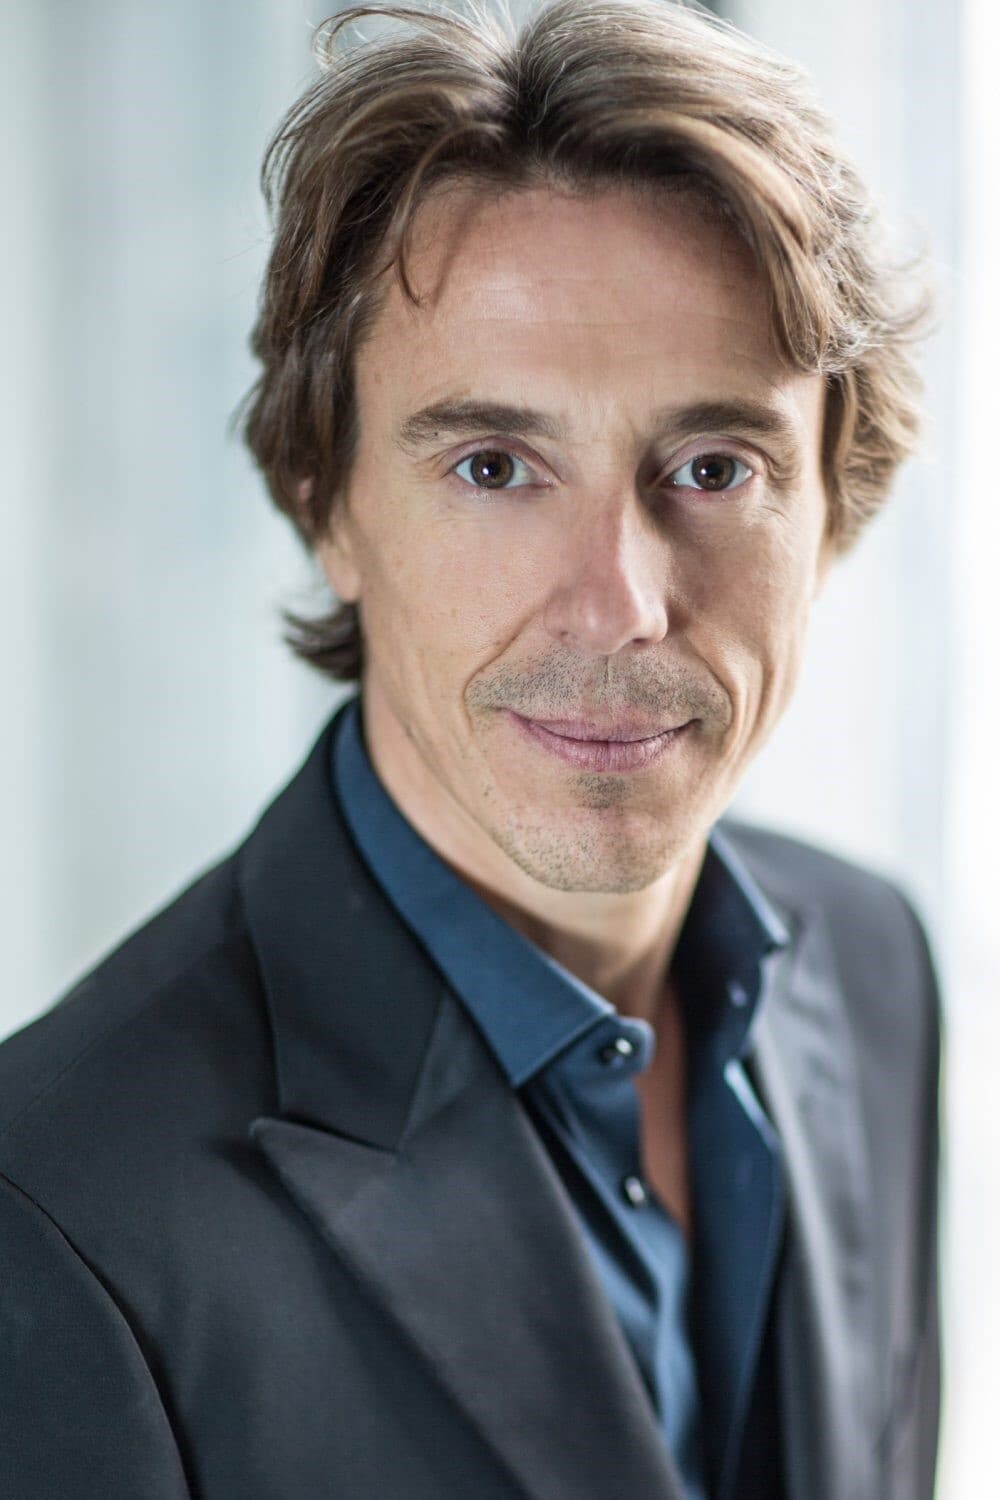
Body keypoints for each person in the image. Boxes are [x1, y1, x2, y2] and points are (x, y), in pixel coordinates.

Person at [0, 2, 940, 1497]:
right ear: (325, 503)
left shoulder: (876, 965)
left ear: (837, 501)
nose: (620, 605)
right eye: (495, 466)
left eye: (714, 466)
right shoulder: (55, 1213)